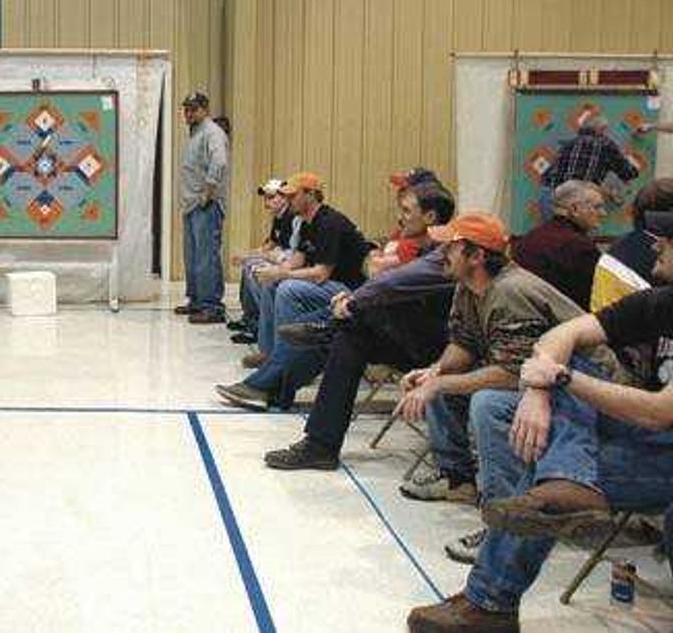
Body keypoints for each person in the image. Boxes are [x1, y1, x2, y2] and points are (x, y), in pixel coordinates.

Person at [407, 210, 673, 632]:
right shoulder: (661, 301)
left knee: (529, 452)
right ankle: (560, 485)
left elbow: (659, 413)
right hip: (634, 431)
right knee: (544, 455)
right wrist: (538, 387)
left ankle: (491, 601)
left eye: (667, 239)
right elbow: (562, 335)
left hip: (658, 441)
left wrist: (559, 380)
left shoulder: (510, 290)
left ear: (475, 255)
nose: (655, 244)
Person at [263, 181, 457, 469]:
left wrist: (354, 303)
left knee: (356, 317)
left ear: (429, 217)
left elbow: (394, 281)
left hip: (443, 352)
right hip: (416, 340)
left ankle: (323, 334)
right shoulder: (423, 247)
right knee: (350, 340)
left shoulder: (443, 253)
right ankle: (321, 446)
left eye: (406, 210)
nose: (399, 216)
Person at [215, 171, 370, 410]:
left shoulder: (330, 222)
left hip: (348, 289)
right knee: (274, 283)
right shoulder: (308, 222)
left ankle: (284, 367)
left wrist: (282, 273)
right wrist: (275, 271)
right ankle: (272, 353)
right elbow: (297, 261)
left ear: (311, 195)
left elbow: (321, 273)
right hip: (329, 284)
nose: (289, 200)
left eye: (293, 195)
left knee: (288, 289)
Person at [176, 92, 230, 324]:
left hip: (205, 205)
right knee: (193, 256)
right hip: (192, 205)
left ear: (204, 110)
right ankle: (197, 301)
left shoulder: (212, 132)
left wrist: (208, 193)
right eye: (186, 109)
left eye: (193, 109)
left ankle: (211, 306)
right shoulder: (196, 134)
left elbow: (219, 162)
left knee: (206, 256)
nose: (188, 113)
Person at [228, 179, 301, 345]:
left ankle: (261, 326)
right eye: (265, 198)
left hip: (290, 261)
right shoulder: (278, 217)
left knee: (256, 269)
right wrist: (248, 255)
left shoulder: (292, 217)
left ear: (284, 198)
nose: (267, 202)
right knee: (249, 265)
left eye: (271, 197)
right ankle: (251, 320)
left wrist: (258, 257)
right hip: (281, 257)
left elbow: (289, 252)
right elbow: (270, 244)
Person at [512, 180, 604, 310]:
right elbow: (596, 301)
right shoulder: (581, 248)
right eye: (597, 207)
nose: (603, 213)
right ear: (575, 209)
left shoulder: (529, 238)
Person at [540, 114, 637, 218]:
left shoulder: (568, 144)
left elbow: (550, 176)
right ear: (601, 129)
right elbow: (628, 173)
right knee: (576, 232)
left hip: (551, 197)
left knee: (554, 230)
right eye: (606, 130)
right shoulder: (605, 145)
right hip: (577, 201)